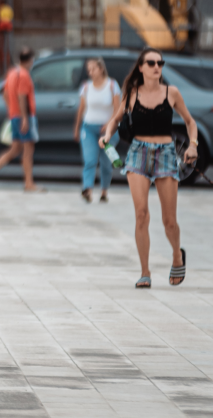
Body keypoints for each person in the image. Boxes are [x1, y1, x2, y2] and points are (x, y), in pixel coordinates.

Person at [101, 48, 199, 288]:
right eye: (152, 63)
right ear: (141, 67)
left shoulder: (171, 92)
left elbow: (190, 121)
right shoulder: (132, 94)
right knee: (141, 214)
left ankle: (177, 254)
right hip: (138, 154)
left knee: (169, 220)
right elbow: (115, 119)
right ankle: (145, 272)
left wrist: (193, 145)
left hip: (166, 153)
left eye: (160, 63)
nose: (157, 67)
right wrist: (106, 135)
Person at [0, 46, 44, 192]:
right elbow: (22, 96)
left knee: (15, 149)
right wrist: (24, 118)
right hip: (25, 116)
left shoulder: (12, 73)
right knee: (28, 150)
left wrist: (12, 110)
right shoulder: (24, 75)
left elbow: (5, 93)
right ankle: (29, 183)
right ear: (30, 60)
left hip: (15, 115)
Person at [73, 56, 121, 203]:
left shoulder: (112, 85)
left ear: (101, 69)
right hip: (89, 128)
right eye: (89, 69)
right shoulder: (86, 87)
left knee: (106, 163)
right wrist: (77, 128)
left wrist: (109, 124)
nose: (91, 72)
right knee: (90, 160)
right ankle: (87, 189)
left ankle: (104, 191)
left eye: (93, 68)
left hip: (107, 130)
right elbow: (81, 109)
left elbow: (118, 109)